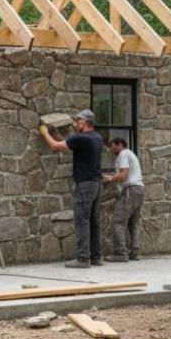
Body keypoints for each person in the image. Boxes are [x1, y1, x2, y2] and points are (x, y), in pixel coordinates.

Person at [39, 109, 106, 268]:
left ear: (84, 122)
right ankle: (96, 257)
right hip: (97, 184)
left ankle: (82, 259)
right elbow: (69, 144)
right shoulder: (97, 137)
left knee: (82, 220)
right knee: (94, 221)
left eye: (77, 121)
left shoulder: (81, 138)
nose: (75, 124)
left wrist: (45, 132)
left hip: (85, 184)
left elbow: (55, 146)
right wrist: (58, 135)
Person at [105, 136, 145, 262]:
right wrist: (111, 176)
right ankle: (135, 252)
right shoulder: (130, 154)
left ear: (120, 145)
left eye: (112, 146)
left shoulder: (123, 154)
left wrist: (110, 178)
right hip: (139, 189)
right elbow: (125, 174)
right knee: (133, 222)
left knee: (117, 221)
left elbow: (123, 175)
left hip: (131, 190)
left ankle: (120, 253)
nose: (111, 149)